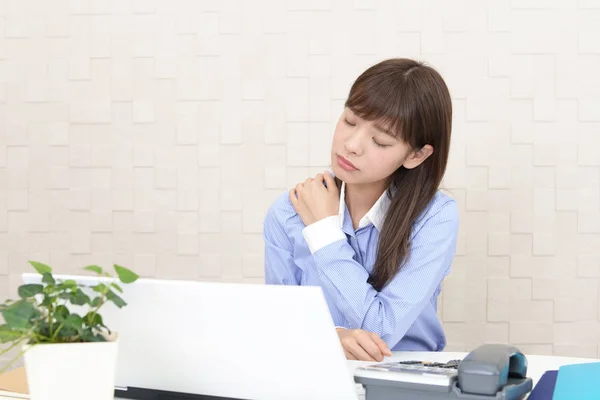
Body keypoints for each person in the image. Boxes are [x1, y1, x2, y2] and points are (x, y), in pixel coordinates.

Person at [263, 58, 459, 362]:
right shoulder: (288, 212)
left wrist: (325, 234)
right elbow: (277, 326)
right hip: (315, 375)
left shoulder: (434, 217)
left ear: (417, 155)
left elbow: (382, 330)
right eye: (350, 121)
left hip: (405, 380)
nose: (352, 145)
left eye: (380, 141)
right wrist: (331, 339)